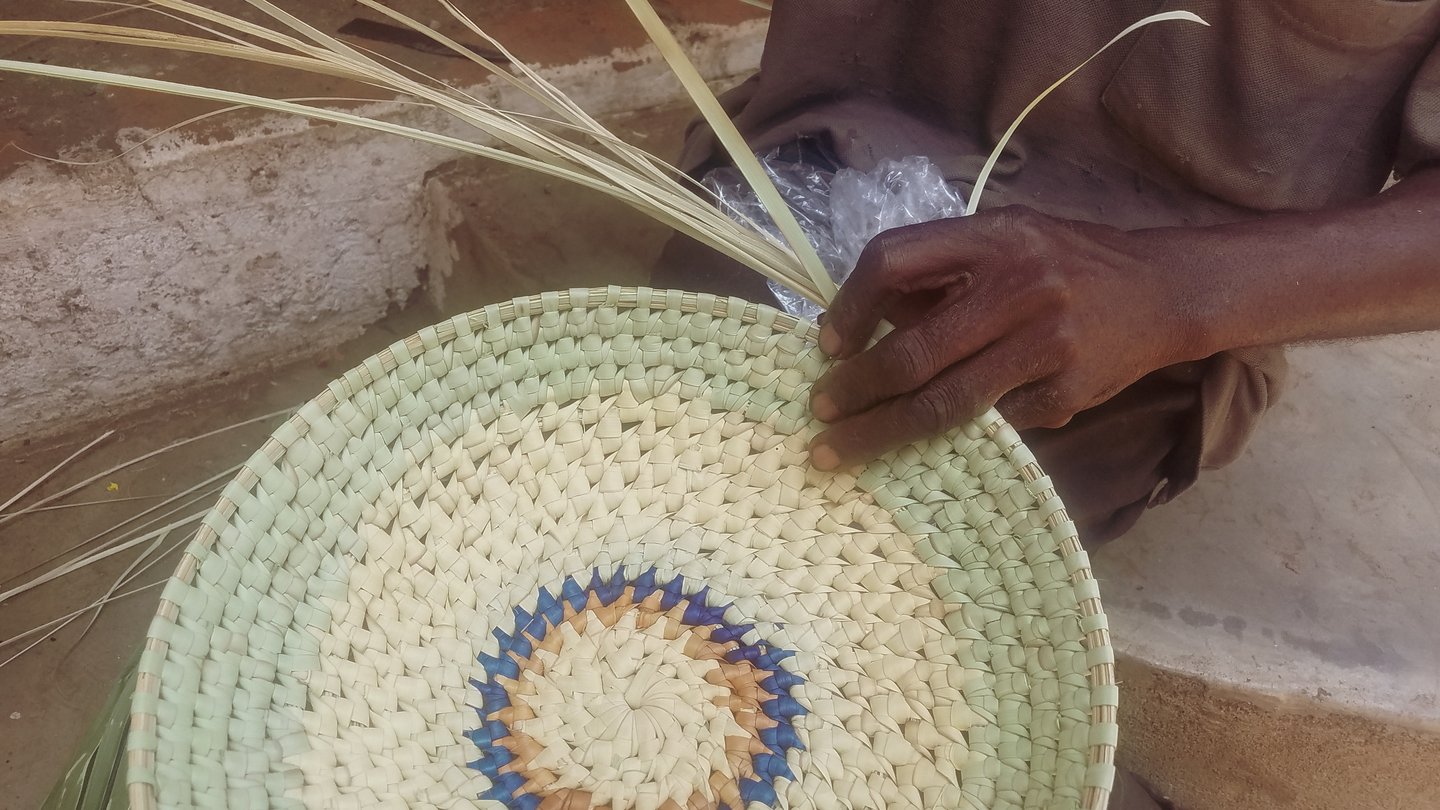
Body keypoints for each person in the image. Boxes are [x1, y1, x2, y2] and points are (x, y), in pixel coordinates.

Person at [652, 3, 1440, 807]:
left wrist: (1173, 291)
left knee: (870, 685)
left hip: (1129, 334)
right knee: (621, 586)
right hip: (790, 181)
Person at [654, 0, 1440, 548]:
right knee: (640, 474)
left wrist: (1172, 291)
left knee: (884, 559)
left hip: (1138, 323)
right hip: (810, 164)